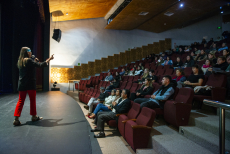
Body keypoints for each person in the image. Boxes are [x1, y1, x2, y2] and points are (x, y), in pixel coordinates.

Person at [13, 47, 54, 126]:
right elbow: (40, 65)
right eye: (29, 51)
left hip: (22, 84)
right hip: (30, 84)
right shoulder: (28, 60)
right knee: (32, 101)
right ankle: (34, 117)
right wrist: (49, 59)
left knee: (20, 101)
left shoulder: (20, 61)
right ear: (26, 52)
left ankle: (16, 119)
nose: (31, 52)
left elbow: (29, 67)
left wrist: (33, 62)